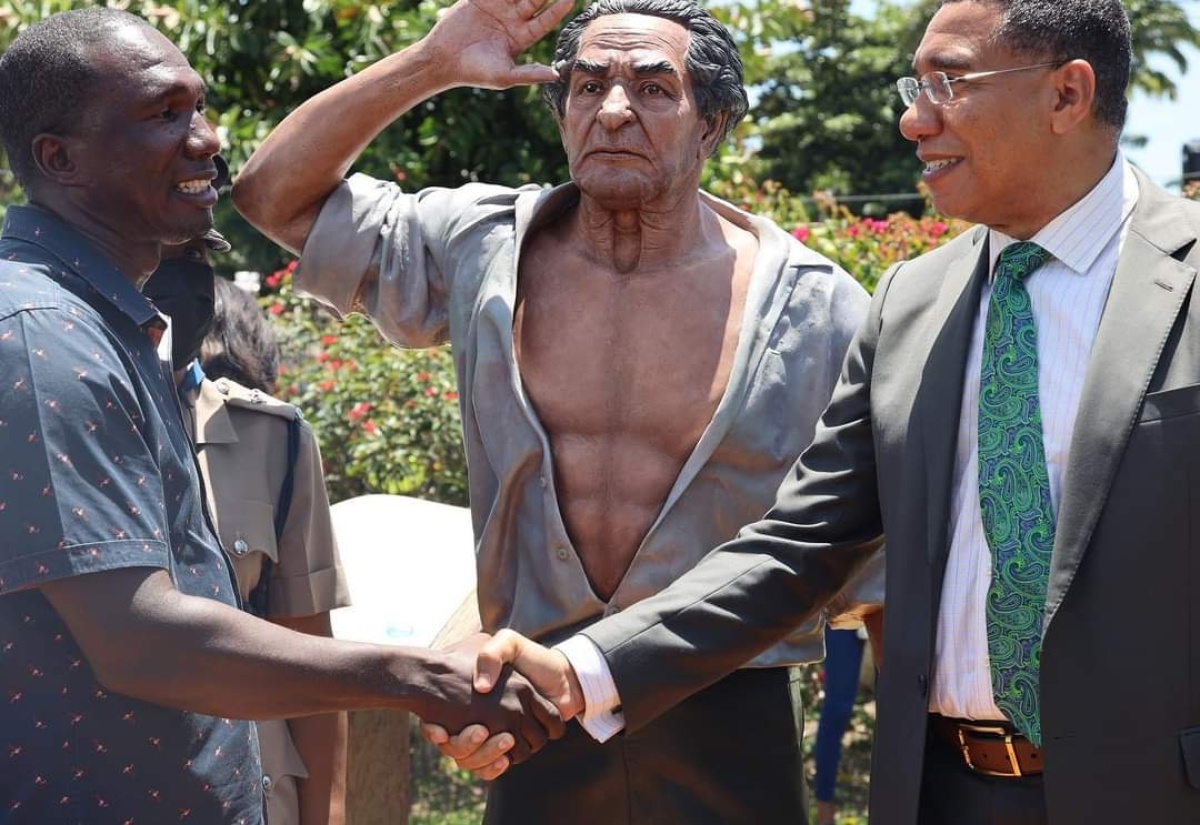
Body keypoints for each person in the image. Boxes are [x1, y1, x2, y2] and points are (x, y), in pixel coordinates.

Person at [456, 1, 1200, 823]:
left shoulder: (1188, 283)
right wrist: (586, 669)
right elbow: (801, 544)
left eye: (947, 84)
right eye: (911, 88)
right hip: (944, 793)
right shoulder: (908, 306)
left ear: (1067, 95)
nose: (915, 122)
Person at [232, 0, 880, 821]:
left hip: (728, 704)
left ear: (710, 125)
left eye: (653, 88)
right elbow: (271, 196)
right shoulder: (481, 244)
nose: (613, 109)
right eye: (588, 86)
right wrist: (431, 62)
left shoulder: (817, 307)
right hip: (528, 701)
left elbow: (865, 559)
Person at [0, 9, 560, 822]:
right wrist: (417, 677)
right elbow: (140, 638)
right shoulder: (43, 332)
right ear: (60, 158)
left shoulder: (108, 326)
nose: (207, 138)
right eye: (165, 114)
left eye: (199, 107)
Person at [143, 224, 351, 825]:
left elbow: (311, 656)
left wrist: (328, 815)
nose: (178, 274)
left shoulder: (273, 439)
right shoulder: (34, 410)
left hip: (254, 799)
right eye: (155, 251)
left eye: (195, 253)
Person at [812, 626, 866, 825]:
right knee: (837, 710)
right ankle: (824, 812)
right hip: (844, 605)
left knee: (900, 711)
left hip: (894, 606)